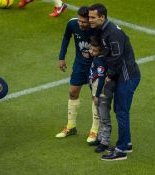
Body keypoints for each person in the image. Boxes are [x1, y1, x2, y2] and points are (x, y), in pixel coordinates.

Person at [88, 3, 141, 161]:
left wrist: (109, 76)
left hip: (127, 77)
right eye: (89, 17)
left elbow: (117, 58)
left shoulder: (112, 33)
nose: (90, 20)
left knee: (121, 112)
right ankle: (127, 144)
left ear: (102, 17)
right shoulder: (104, 30)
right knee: (120, 112)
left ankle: (121, 150)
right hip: (123, 76)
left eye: (93, 17)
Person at [55, 6, 98, 140]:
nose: (80, 24)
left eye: (83, 22)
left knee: (95, 97)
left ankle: (94, 130)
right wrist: (61, 57)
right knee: (73, 92)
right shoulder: (72, 24)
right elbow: (66, 38)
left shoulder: (97, 29)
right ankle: (71, 126)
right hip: (80, 64)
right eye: (79, 21)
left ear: (90, 21)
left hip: (95, 65)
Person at [87, 35, 115, 153]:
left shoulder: (100, 61)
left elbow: (102, 80)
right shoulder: (97, 59)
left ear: (101, 51)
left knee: (104, 119)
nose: (91, 52)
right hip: (97, 92)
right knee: (100, 115)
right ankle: (100, 138)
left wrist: (97, 95)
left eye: (94, 50)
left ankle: (105, 143)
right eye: (90, 49)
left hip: (102, 94)